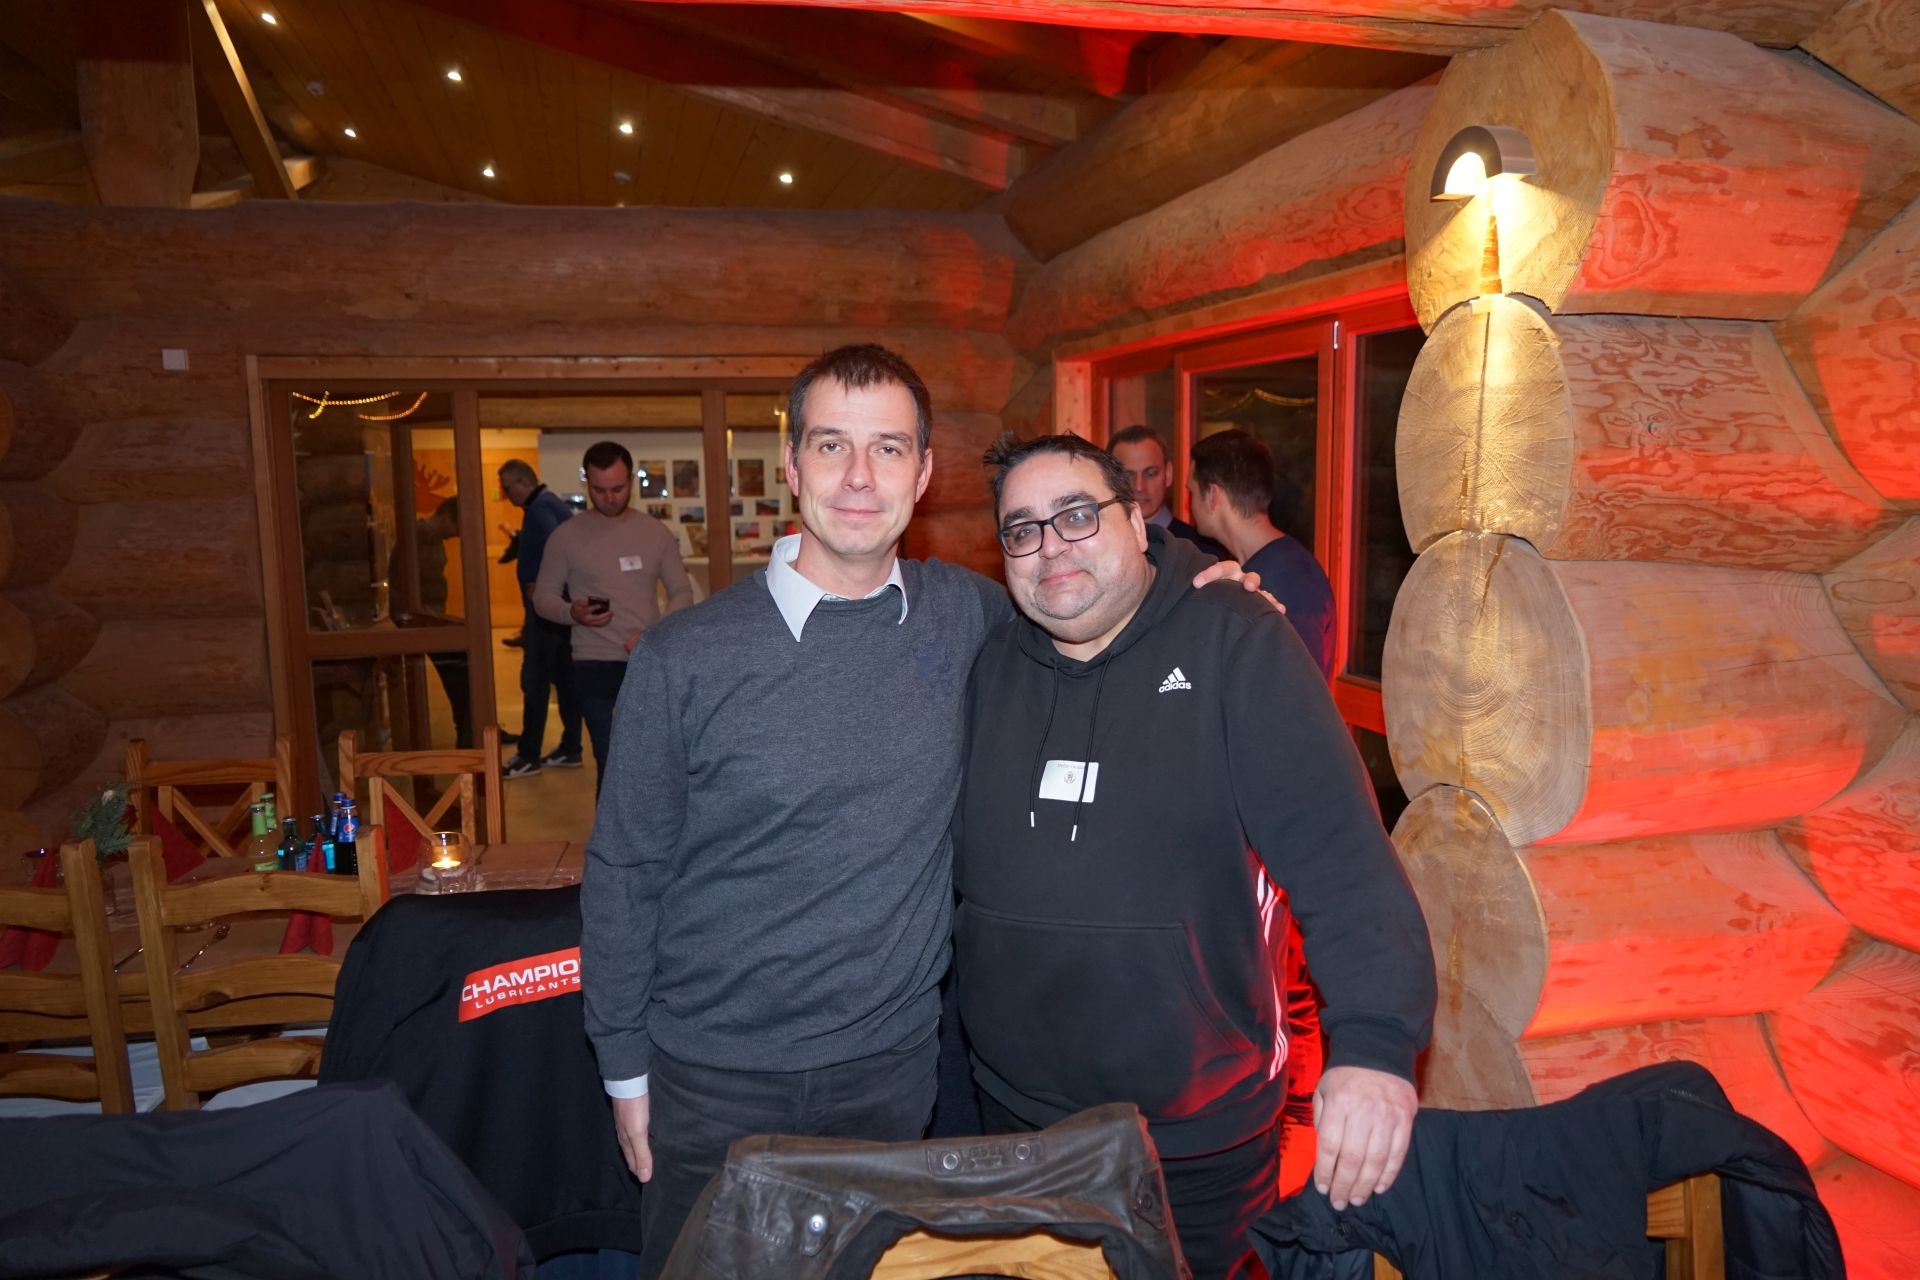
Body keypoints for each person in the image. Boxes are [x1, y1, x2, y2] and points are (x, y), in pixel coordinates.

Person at [579, 346, 1267, 1279]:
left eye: (889, 448)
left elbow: (1091, 578)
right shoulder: (684, 656)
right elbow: (626, 870)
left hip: (891, 1079)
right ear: (792, 467)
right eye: (832, 446)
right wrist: (624, 1066)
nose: (860, 477)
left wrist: (1198, 581)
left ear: (924, 473)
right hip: (712, 1080)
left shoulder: (969, 616)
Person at [953, 432, 1435, 1279]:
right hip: (1015, 1123)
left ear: (1138, 522)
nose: (1050, 545)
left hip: (1191, 1139)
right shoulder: (988, 665)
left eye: (1076, 515)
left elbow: (1341, 858)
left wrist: (1375, 1047)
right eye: (1022, 529)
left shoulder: (1235, 639)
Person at [532, 442, 693, 793]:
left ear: (631, 480)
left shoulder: (655, 533)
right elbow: (542, 598)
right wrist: (571, 612)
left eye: (617, 489)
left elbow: (682, 592)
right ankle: (611, 831)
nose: (609, 498)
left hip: (649, 662)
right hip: (594, 664)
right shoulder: (565, 537)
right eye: (599, 490)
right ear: (586, 483)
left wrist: (654, 635)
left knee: (656, 764)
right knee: (611, 763)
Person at [1188, 428, 1337, 679]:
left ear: (1213, 495)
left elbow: (1294, 688)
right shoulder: (1259, 566)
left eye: (1191, 492)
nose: (1189, 504)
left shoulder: (1292, 582)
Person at [497, 459, 585, 778]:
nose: (505, 495)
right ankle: (571, 748)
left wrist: (545, 585)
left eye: (507, 488)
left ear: (523, 483)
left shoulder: (540, 508)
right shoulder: (548, 504)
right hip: (556, 611)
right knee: (565, 679)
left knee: (534, 681)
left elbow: (556, 543)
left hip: (546, 614)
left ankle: (528, 755)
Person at [389, 495, 472, 749]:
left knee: (463, 667)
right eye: (457, 527)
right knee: (459, 670)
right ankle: (468, 733)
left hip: (431, 616)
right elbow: (409, 581)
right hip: (421, 619)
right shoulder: (419, 536)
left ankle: (473, 727)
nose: (457, 534)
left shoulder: (429, 537)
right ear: (446, 518)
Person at [1108, 423, 1225, 558]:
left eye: (1151, 474)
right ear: (1110, 479)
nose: (1139, 486)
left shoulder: (1202, 550)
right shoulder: (1098, 543)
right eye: (1128, 476)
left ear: (1168, 474)